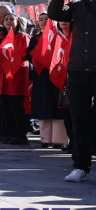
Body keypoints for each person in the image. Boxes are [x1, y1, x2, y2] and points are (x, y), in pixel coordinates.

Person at [47, 0, 96, 182]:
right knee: (79, 120)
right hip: (77, 70)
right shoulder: (77, 7)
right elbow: (54, 13)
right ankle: (80, 166)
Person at [29, 14, 67, 149]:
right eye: (41, 20)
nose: (44, 22)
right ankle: (45, 139)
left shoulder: (61, 37)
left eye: (47, 19)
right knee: (43, 107)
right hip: (42, 77)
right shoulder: (35, 39)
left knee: (58, 108)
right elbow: (29, 56)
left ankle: (58, 140)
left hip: (57, 75)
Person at [0, 14, 30, 145]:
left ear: (17, 22)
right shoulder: (1, 37)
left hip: (16, 75)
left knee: (16, 106)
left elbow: (24, 54)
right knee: (4, 106)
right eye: (6, 19)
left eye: (11, 19)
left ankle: (20, 135)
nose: (8, 21)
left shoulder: (23, 37)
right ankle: (7, 133)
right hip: (2, 77)